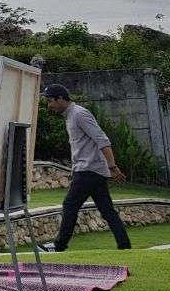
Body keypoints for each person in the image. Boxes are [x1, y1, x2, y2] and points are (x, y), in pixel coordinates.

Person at [39, 84, 131, 252]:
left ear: (60, 99)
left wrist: (113, 166)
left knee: (70, 205)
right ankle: (125, 246)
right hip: (91, 170)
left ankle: (59, 246)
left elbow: (101, 139)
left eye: (50, 101)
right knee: (107, 211)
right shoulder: (70, 115)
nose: (49, 105)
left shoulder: (79, 114)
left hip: (88, 170)